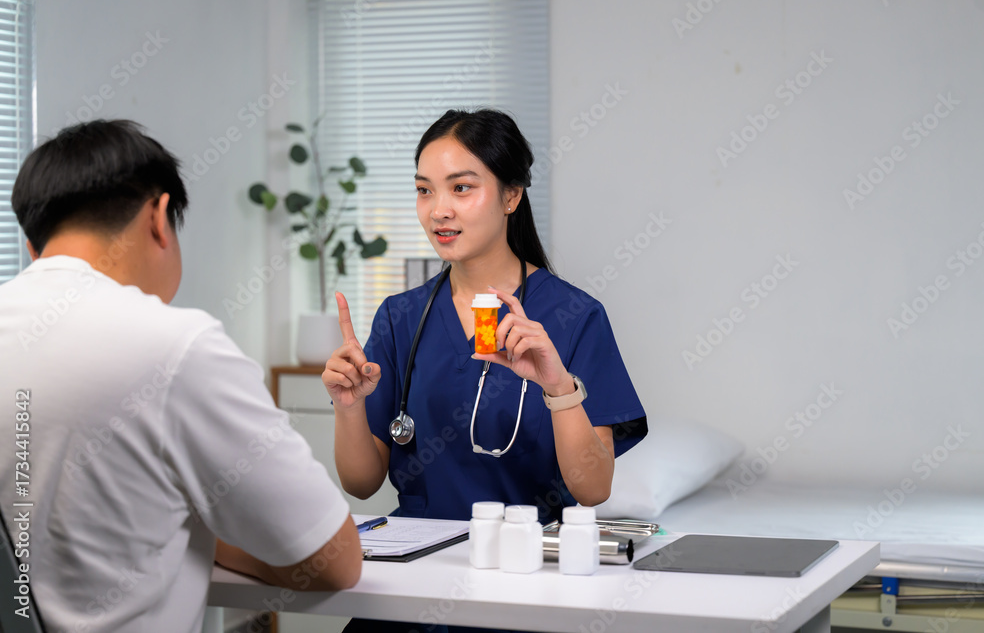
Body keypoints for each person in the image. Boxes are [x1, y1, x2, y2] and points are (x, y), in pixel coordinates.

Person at [0, 120, 362, 633]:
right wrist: (213, 540)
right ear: (158, 216)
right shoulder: (175, 344)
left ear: (35, 245)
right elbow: (336, 560)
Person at [325, 108, 647, 524]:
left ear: (511, 196)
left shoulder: (574, 317)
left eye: (461, 188)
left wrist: (558, 387)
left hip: (528, 565)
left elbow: (593, 489)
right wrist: (348, 408)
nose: (438, 209)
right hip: (422, 560)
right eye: (425, 190)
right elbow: (361, 483)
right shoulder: (399, 317)